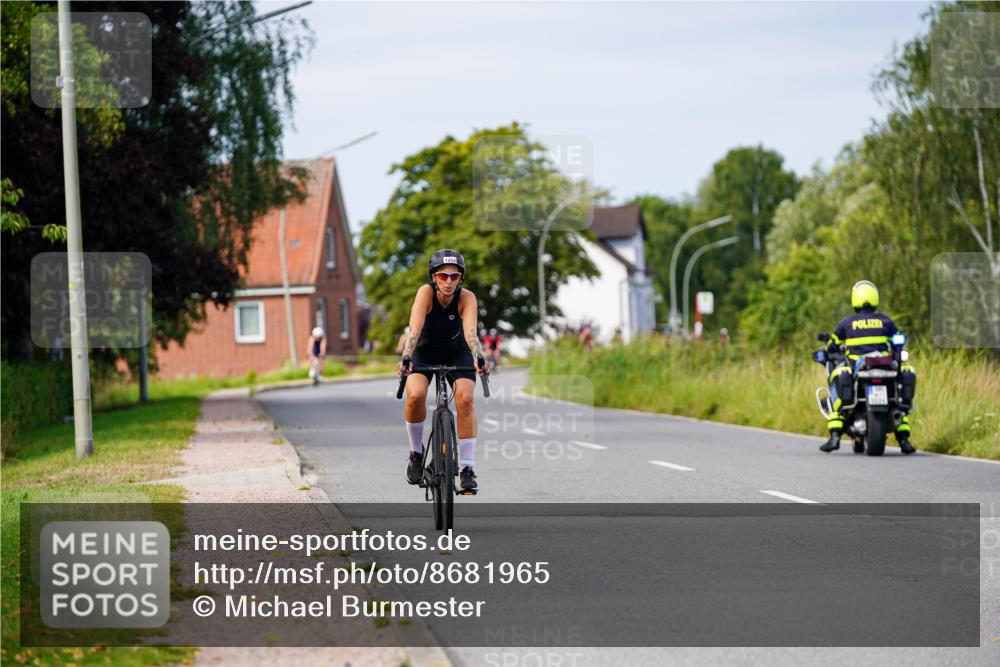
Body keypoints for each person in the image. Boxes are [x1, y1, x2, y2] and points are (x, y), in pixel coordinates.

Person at [396, 249, 485, 492]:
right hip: (423, 351)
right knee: (415, 395)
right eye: (443, 276)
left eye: (454, 276)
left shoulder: (467, 298)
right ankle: (416, 453)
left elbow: (470, 333)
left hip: (457, 352)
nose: (448, 281)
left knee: (465, 399)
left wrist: (478, 354)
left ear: (461, 278)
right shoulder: (425, 293)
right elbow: (414, 330)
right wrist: (406, 356)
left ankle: (467, 468)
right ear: (434, 277)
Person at [820, 280, 916, 454]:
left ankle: (834, 437)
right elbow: (899, 340)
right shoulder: (885, 321)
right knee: (898, 399)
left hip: (860, 368)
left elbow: (832, 345)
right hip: (886, 367)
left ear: (855, 299)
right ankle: (904, 441)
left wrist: (828, 348)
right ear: (875, 298)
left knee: (837, 382)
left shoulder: (846, 323)